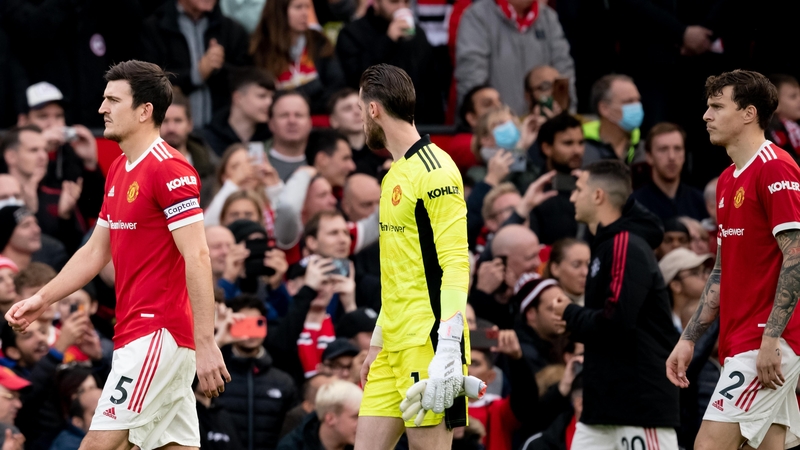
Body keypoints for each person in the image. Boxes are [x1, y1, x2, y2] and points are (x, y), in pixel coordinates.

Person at [5, 60, 229, 449]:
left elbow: (198, 256)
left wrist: (206, 342)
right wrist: (42, 299)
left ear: (144, 111)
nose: (101, 108)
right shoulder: (120, 169)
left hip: (157, 332)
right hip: (139, 333)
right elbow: (95, 251)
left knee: (97, 445)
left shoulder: (170, 169)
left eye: (113, 100)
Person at [667, 70, 800, 450]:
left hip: (765, 342)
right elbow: (721, 271)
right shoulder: (727, 180)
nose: (706, 116)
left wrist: (771, 338)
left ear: (748, 113)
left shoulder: (775, 167)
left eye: (716, 106)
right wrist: (689, 339)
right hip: (738, 340)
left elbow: (796, 256)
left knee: (709, 445)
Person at [355, 64, 480, 450]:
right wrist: (377, 341)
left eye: (360, 110)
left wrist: (448, 346)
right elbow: (399, 271)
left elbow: (456, 262)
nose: (361, 120)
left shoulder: (436, 170)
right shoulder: (394, 174)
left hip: (429, 343)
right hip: (392, 344)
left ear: (373, 109)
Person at [553, 159, 680, 448]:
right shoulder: (607, 244)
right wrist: (571, 322)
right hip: (601, 408)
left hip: (639, 408)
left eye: (579, 189)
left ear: (598, 195)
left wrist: (570, 313)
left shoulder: (625, 244)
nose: (572, 197)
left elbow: (616, 321)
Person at [141, 0, 252, 127]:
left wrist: (219, 66)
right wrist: (197, 74)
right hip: (169, 129)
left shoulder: (232, 30)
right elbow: (148, 82)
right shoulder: (153, 28)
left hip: (221, 130)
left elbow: (245, 80)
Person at [455, 0, 574, 118]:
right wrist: (490, 122)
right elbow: (472, 80)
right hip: (497, 125)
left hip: (544, 124)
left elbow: (564, 73)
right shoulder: (477, 16)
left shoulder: (548, 17)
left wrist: (566, 117)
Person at [335, 0, 444, 124]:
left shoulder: (417, 34)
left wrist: (436, 125)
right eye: (394, 1)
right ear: (376, 3)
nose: (401, 7)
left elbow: (431, 83)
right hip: (374, 121)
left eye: (406, 2)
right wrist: (388, 41)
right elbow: (357, 80)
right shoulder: (352, 33)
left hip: (417, 121)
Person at [217, 295, 296, 450]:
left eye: (257, 323)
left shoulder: (284, 382)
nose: (250, 331)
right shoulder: (216, 376)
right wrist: (218, 339)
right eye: (243, 323)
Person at [250, 0, 345, 114]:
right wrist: (313, 88)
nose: (305, 13)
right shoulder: (260, 49)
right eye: (298, 7)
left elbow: (337, 87)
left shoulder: (319, 41)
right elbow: (263, 95)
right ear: (279, 11)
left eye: (307, 7)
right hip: (279, 118)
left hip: (321, 115)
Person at [631, 122, 708, 222]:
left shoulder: (700, 202)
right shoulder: (635, 205)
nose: (672, 156)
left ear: (684, 155)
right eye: (663, 149)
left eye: (677, 149)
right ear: (649, 156)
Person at [529, 113, 584, 244]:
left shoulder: (591, 188)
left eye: (581, 143)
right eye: (568, 143)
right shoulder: (533, 192)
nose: (577, 150)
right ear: (546, 148)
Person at [160, 89, 219, 207]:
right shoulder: (142, 163)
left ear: (190, 124)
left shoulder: (210, 166)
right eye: (165, 121)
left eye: (178, 121)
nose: (171, 128)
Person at [201, 68, 275, 157]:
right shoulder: (207, 139)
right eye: (262, 96)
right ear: (238, 98)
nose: (269, 102)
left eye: (272, 97)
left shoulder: (274, 137)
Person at [276, 379, 363, 450]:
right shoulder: (291, 447)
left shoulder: (363, 443)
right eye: (355, 417)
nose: (362, 424)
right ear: (330, 418)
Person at [581, 75, 645, 168]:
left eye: (638, 100)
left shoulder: (644, 148)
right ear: (604, 108)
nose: (637, 106)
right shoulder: (580, 146)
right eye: (629, 102)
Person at [328, 89, 389, 179]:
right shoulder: (331, 158)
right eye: (348, 109)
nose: (357, 112)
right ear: (334, 120)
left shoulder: (386, 149)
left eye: (360, 107)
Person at [659, 247, 712, 333]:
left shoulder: (716, 320)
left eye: (705, 271)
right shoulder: (662, 329)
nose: (706, 277)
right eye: (695, 272)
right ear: (676, 286)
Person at [268, 92, 314, 181]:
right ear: (271, 124)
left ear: (310, 123)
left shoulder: (323, 163)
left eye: (298, 115)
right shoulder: (252, 163)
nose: (292, 121)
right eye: (284, 115)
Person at [543, 238, 590, 306]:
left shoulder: (600, 301)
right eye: (576, 265)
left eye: (589, 265)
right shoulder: (548, 306)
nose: (585, 272)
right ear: (555, 268)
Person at [766, 74, 800, 162]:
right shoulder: (770, 135)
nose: (799, 100)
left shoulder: (796, 129)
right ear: (775, 104)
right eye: (793, 96)